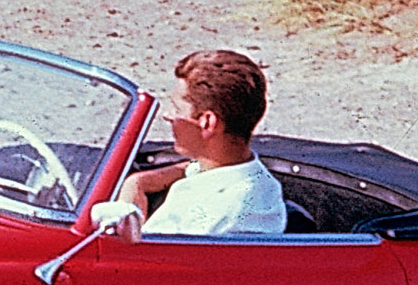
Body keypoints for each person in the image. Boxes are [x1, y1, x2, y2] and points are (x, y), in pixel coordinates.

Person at [93, 48, 287, 238]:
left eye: (177, 108)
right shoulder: (236, 172)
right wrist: (136, 183)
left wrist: (127, 209)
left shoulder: (217, 215)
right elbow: (195, 169)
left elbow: (145, 259)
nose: (168, 116)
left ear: (207, 123)